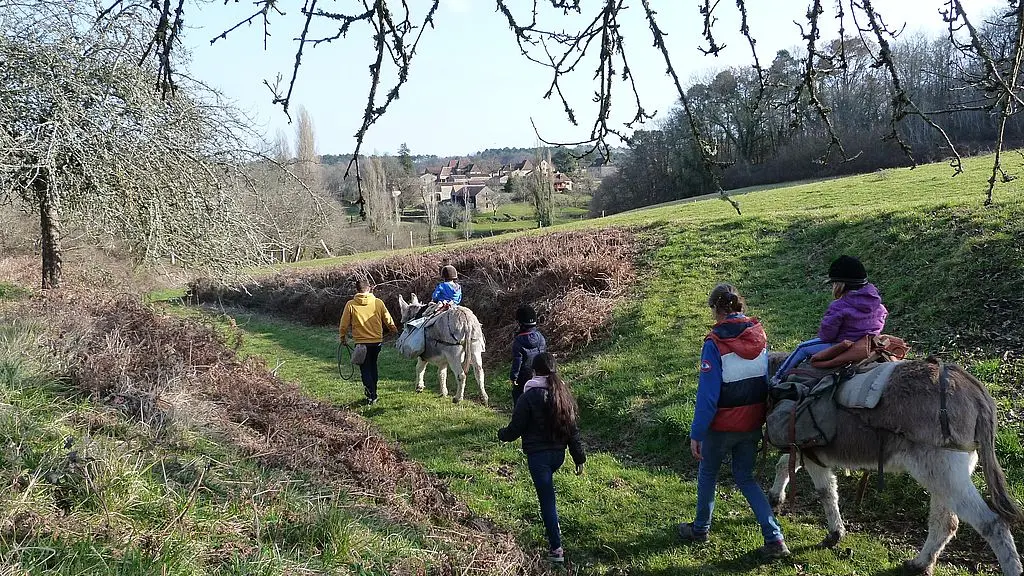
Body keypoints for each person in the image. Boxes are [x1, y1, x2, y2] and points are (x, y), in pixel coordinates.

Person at [677, 283, 789, 559]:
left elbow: (708, 396)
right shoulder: (759, 335)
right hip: (751, 423)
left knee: (707, 473)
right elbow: (763, 381)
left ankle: (701, 528)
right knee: (746, 478)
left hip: (721, 425)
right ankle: (774, 538)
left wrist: (697, 432)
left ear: (716, 309)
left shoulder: (714, 343)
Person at [498, 352, 585, 564]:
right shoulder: (563, 393)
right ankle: (552, 526)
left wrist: (502, 434)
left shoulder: (527, 396)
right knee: (548, 497)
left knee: (547, 501)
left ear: (534, 372)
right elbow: (572, 430)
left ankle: (556, 549)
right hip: (558, 456)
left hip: (539, 458)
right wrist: (579, 457)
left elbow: (515, 428)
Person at [772, 255, 888, 382]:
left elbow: (827, 335)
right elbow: (881, 319)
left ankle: (777, 379)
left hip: (842, 344)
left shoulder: (839, 306)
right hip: (868, 342)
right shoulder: (876, 302)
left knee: (802, 348)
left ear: (840, 285)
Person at [339, 277, 398, 405]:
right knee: (373, 366)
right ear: (369, 288)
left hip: (361, 343)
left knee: (365, 369)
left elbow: (344, 324)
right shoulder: (378, 302)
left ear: (357, 290)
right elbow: (387, 318)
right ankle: (373, 392)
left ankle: (371, 395)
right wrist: (393, 330)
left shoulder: (351, 304)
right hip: (377, 342)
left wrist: (343, 337)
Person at [510, 304, 547, 405]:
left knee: (518, 398)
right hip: (539, 375)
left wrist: (514, 377)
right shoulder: (541, 337)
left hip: (523, 377)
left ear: (520, 323)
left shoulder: (518, 341)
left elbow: (517, 360)